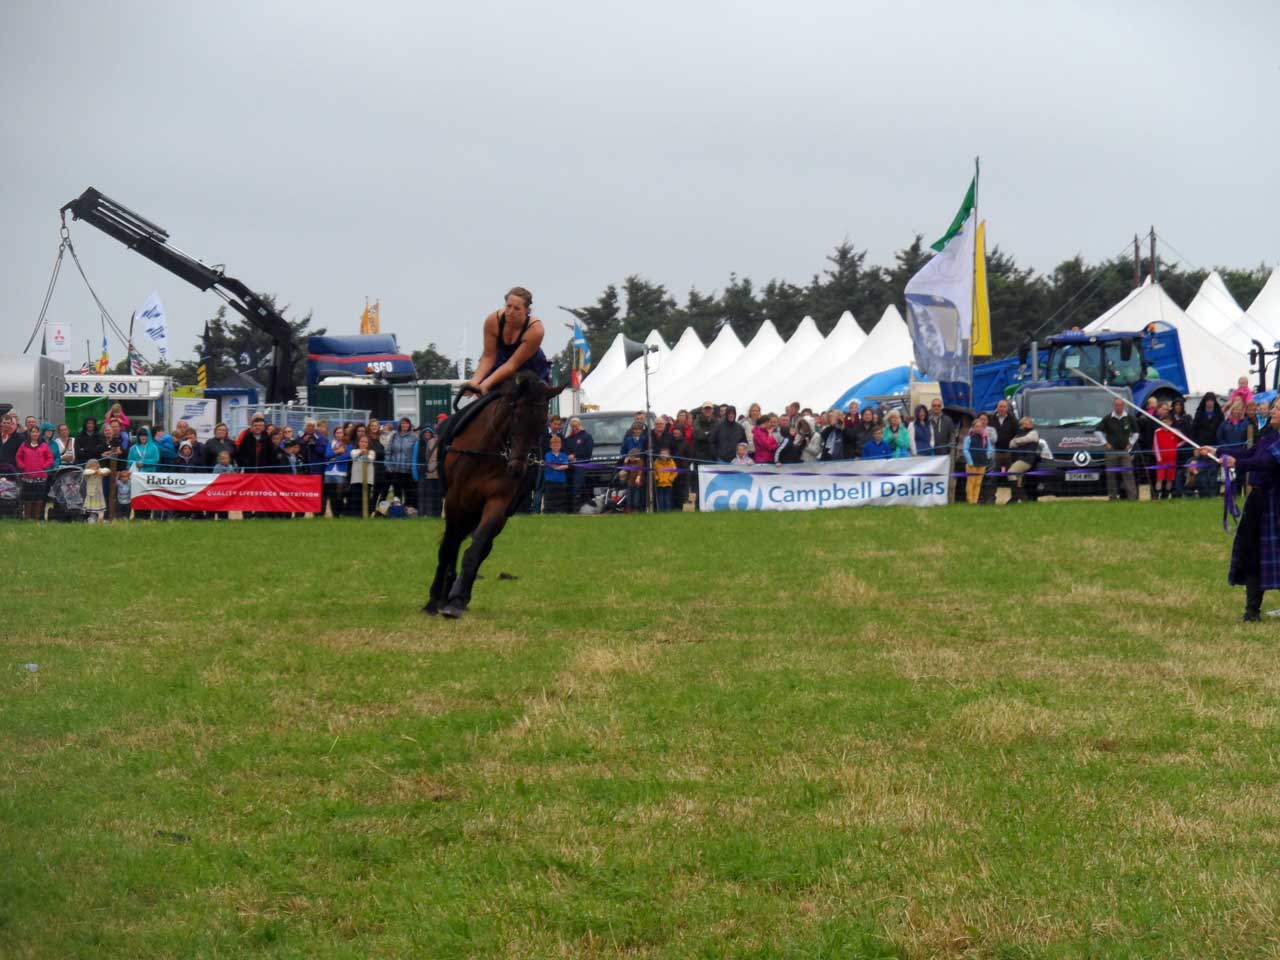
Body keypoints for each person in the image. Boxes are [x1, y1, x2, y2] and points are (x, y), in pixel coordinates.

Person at [1212, 403, 1280, 620]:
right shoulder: (1268, 439)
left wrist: (1238, 463)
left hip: (1275, 504)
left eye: (1278, 408)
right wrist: (1215, 450)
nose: (1272, 411)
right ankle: (1252, 611)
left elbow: (1265, 462)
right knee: (1252, 554)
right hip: (1258, 502)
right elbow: (1248, 453)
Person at [463, 286, 552, 395]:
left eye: (517, 308)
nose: (510, 312)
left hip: (529, 367)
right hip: (499, 360)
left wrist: (487, 384)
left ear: (527, 311)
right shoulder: (493, 321)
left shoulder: (535, 330)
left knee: (533, 400)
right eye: (508, 306)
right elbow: (488, 356)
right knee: (480, 394)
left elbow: (513, 364)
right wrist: (474, 383)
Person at [1096, 397, 1138, 501]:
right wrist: (1105, 443)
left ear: (1123, 406)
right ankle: (1112, 497)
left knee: (1128, 473)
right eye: (1116, 405)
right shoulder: (1108, 418)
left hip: (1125, 451)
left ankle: (1132, 498)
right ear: (1114, 406)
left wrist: (1131, 443)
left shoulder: (1128, 418)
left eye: (1120, 405)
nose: (1118, 407)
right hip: (1111, 452)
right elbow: (1097, 431)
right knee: (1111, 475)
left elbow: (1137, 432)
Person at [16, 424, 53, 520]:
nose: (34, 434)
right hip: (27, 477)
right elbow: (18, 457)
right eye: (33, 432)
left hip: (41, 477)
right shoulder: (24, 445)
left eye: (36, 432)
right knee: (28, 498)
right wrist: (22, 466)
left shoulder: (44, 445)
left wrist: (44, 466)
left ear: (39, 433)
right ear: (29, 433)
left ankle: (36, 518)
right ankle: (28, 518)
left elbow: (50, 458)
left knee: (39, 498)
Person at [1191, 393, 1224, 497]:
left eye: (1212, 400)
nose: (1210, 402)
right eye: (1208, 400)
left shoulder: (1219, 414)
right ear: (1205, 402)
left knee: (1213, 470)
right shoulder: (1199, 413)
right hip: (1201, 447)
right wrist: (1195, 446)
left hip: (1215, 447)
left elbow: (1222, 431)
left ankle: (1213, 493)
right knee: (1202, 470)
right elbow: (1194, 431)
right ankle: (1203, 493)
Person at [384, 416, 417, 511]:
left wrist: (412, 467)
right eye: (402, 423)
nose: (404, 425)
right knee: (397, 492)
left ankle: (408, 511)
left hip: (408, 470)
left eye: (406, 423)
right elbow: (388, 451)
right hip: (396, 470)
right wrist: (388, 465)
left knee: (408, 492)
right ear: (399, 425)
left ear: (409, 425)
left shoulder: (414, 437)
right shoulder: (394, 436)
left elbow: (416, 452)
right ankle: (397, 511)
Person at [1006, 417, 1040, 503]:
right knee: (1019, 480)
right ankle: (1023, 499)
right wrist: (1017, 441)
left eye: (1028, 423)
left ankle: (1014, 498)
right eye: (1024, 423)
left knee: (1011, 472)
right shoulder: (1019, 433)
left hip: (1027, 459)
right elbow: (1011, 444)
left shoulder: (1034, 433)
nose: (1027, 424)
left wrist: (1016, 441)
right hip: (1018, 458)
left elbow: (1026, 439)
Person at [564, 417, 594, 511]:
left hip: (581, 465)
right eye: (572, 426)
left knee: (578, 486)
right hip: (570, 466)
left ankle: (576, 506)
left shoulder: (587, 437)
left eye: (576, 426)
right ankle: (570, 507)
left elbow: (588, 451)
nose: (574, 428)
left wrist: (575, 456)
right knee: (569, 486)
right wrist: (569, 456)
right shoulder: (568, 439)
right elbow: (565, 449)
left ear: (580, 425)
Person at [962, 415, 994, 505]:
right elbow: (965, 450)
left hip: (982, 463)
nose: (978, 428)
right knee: (971, 482)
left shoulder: (985, 438)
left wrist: (986, 456)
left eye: (980, 426)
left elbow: (990, 449)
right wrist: (970, 461)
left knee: (978, 482)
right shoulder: (968, 438)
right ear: (973, 427)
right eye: (976, 426)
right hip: (971, 464)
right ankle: (970, 500)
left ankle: (975, 500)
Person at [411, 424, 441, 518]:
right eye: (425, 432)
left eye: (429, 432)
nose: (427, 434)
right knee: (421, 493)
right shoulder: (418, 443)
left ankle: (429, 513)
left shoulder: (435, 443)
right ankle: (421, 513)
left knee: (430, 494)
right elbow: (414, 459)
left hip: (432, 472)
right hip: (421, 471)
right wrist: (414, 472)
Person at [348, 435, 377, 517]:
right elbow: (354, 456)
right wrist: (361, 452)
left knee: (366, 498)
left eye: (365, 442)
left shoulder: (372, 452)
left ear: (368, 444)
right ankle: (355, 516)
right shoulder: (353, 451)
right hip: (356, 479)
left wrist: (365, 453)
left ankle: (365, 515)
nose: (363, 443)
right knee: (356, 498)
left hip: (368, 480)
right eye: (362, 441)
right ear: (358, 443)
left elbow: (370, 459)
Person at [541, 433, 571, 514]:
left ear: (560, 445)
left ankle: (560, 511)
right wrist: (558, 466)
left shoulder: (563, 455)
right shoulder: (548, 454)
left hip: (561, 480)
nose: (556, 447)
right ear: (550, 446)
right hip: (550, 480)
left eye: (557, 445)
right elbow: (551, 464)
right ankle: (549, 511)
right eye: (554, 445)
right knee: (550, 497)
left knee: (560, 497)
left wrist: (557, 467)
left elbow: (566, 466)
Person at [652, 446, 677, 511]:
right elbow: (654, 471)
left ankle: (667, 510)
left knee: (667, 498)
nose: (663, 455)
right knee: (660, 498)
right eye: (662, 453)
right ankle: (661, 510)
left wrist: (670, 479)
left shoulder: (671, 462)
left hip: (668, 483)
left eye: (665, 453)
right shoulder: (656, 462)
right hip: (659, 483)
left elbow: (675, 472)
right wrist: (657, 478)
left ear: (668, 455)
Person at [621, 447, 645, 512]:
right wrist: (625, 463)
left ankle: (636, 508)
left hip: (637, 483)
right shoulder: (628, 462)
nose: (631, 458)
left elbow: (640, 470)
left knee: (636, 497)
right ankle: (629, 508)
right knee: (629, 496)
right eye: (630, 457)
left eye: (632, 457)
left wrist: (638, 477)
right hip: (629, 482)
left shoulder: (640, 461)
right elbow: (625, 471)